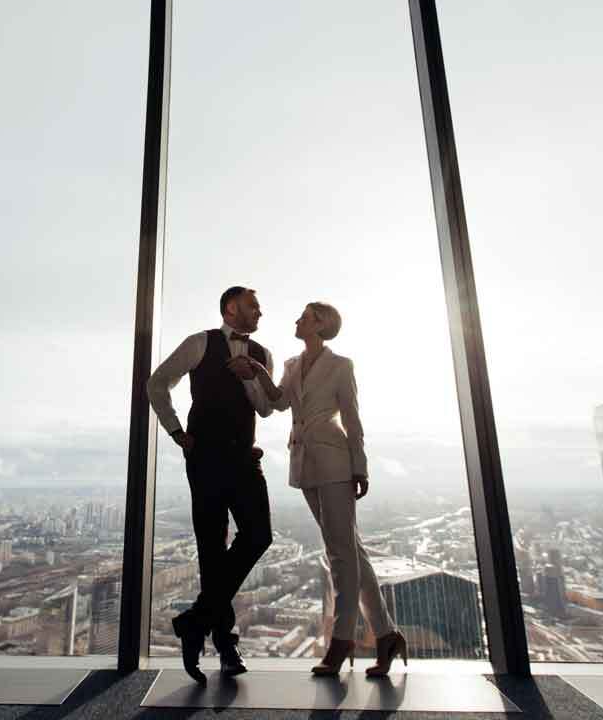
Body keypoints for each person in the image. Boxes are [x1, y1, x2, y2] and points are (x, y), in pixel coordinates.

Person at [248, 301, 408, 677]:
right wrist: (256, 371)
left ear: (320, 325)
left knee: (339, 554)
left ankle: (341, 640)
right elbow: (279, 401)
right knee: (351, 551)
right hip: (305, 463)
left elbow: (352, 419)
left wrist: (360, 466)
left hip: (336, 462)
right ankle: (386, 635)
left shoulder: (341, 366)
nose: (297, 320)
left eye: (304, 316)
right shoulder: (290, 365)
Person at [146, 286, 275, 684]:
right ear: (231, 309)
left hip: (244, 457)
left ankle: (195, 620)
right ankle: (226, 644)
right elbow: (157, 384)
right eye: (254, 306)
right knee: (211, 550)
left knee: (259, 535)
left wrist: (252, 377)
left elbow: (266, 408)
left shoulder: (262, 355)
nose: (260, 312)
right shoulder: (199, 343)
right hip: (204, 460)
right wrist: (176, 432)